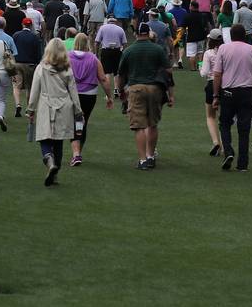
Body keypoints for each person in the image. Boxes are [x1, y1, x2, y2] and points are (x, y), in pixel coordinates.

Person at [116, 22, 173, 170]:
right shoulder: (158, 49)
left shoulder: (129, 50)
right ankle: (150, 156)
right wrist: (170, 93)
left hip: (136, 88)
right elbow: (168, 70)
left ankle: (142, 160)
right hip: (155, 88)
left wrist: (120, 91)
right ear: (148, 34)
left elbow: (121, 75)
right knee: (152, 123)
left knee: (139, 126)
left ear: (136, 34)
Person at [26, 40, 80, 186]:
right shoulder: (67, 69)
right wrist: (78, 111)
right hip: (64, 106)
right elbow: (73, 92)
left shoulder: (41, 68)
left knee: (44, 138)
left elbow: (35, 90)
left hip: (46, 105)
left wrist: (30, 108)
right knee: (59, 141)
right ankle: (55, 173)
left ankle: (49, 161)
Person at [211, 24, 252, 172]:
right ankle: (243, 163)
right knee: (244, 128)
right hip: (246, 92)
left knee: (225, 123)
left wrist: (215, 95)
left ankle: (228, 151)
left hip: (228, 91)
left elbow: (217, 74)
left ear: (231, 36)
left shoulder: (223, 49)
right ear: (245, 36)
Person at [67, 33, 112, 166]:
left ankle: (76, 154)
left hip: (72, 93)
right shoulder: (93, 58)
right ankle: (78, 152)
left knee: (75, 121)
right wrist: (109, 96)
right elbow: (103, 78)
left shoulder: (68, 57)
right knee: (82, 122)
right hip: (89, 94)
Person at [198, 28, 225, 156]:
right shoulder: (226, 51)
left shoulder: (208, 53)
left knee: (210, 116)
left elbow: (204, 72)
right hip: (225, 84)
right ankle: (225, 145)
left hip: (211, 83)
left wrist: (200, 66)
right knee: (224, 117)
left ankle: (216, 142)